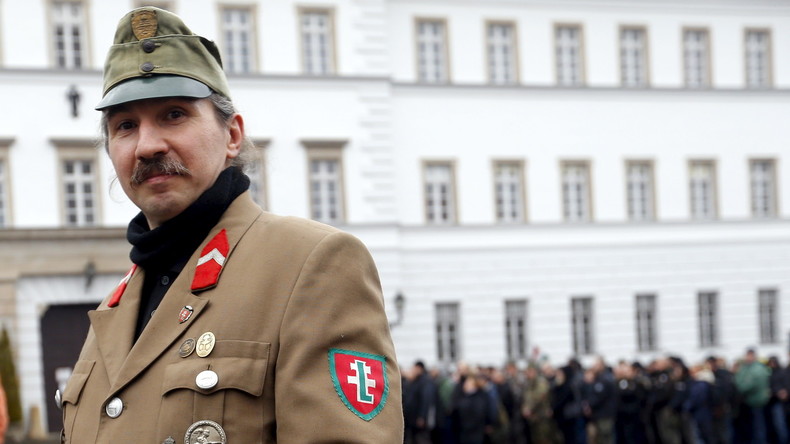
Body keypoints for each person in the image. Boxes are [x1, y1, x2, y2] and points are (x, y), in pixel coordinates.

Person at [59, 7, 402, 443]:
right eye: (125, 125)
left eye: (174, 114)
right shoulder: (116, 306)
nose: (147, 145)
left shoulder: (310, 265)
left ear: (232, 135)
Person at [735, 348, 771, 444]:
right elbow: (738, 380)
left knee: (758, 426)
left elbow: (746, 385)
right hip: (749, 402)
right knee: (754, 426)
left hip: (756, 401)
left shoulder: (757, 369)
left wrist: (740, 385)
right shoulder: (746, 368)